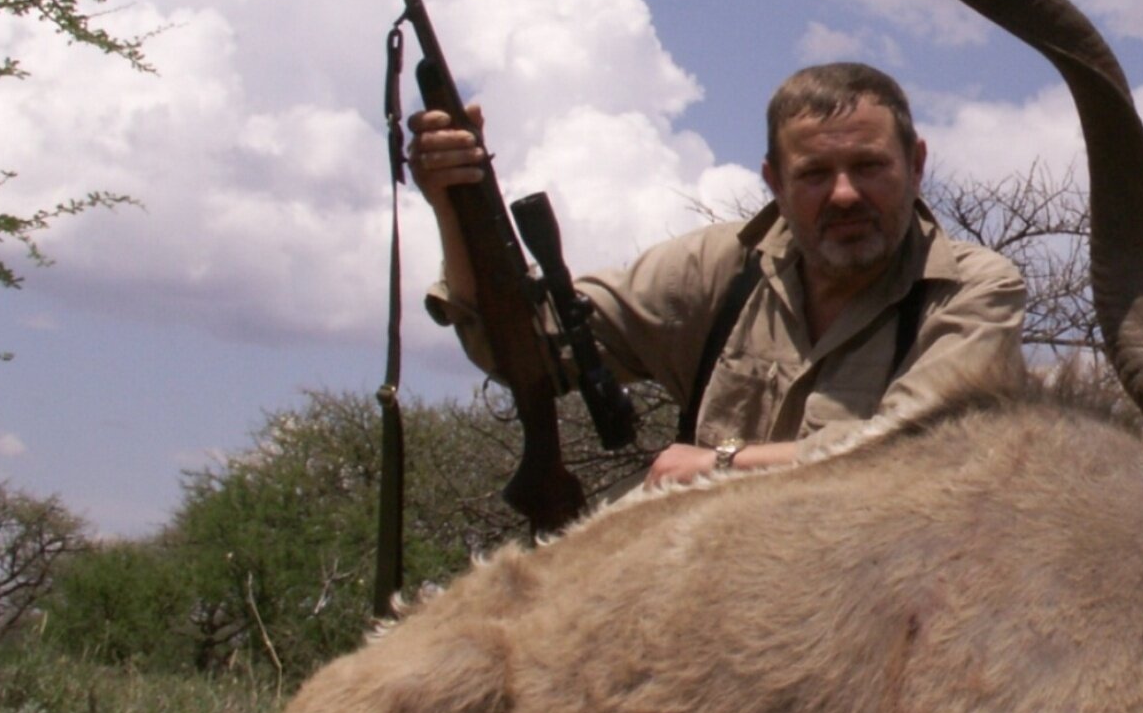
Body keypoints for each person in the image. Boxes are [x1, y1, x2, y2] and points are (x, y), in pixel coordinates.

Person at [409, 62, 1027, 489]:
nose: (844, 195)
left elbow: (922, 452)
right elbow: (527, 351)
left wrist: (724, 465)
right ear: (774, 184)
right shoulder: (720, 266)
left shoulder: (974, 289)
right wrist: (454, 206)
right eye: (814, 174)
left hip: (876, 584)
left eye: (869, 166)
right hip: (705, 573)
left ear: (916, 165)